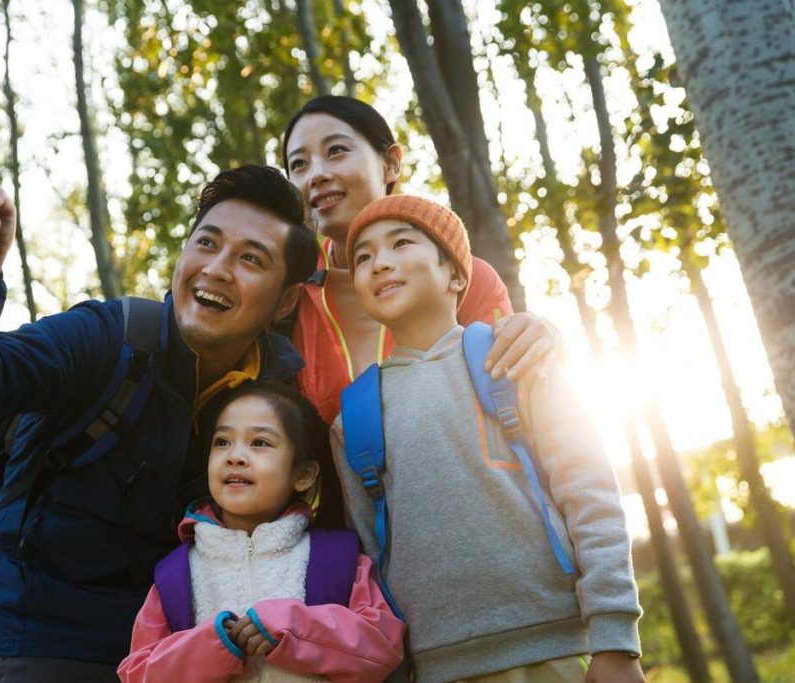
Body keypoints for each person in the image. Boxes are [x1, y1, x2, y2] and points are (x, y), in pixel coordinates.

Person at [0, 145, 322, 680]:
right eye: (207, 243)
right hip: (53, 646)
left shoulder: (282, 393)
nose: (217, 269)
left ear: (286, 301)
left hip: (191, 650)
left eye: (251, 259)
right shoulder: (107, 338)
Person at [333, 194, 644, 683]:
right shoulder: (353, 416)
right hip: (435, 667)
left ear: (456, 274)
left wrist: (615, 637)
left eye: (400, 243)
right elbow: (371, 560)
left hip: (555, 649)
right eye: (364, 257)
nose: (380, 263)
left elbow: (591, 495)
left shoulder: (515, 360)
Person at [282, 95, 559, 424]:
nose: (317, 175)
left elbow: (521, 401)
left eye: (336, 151)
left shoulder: (461, 277)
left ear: (391, 164)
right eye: (299, 164)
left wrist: (545, 339)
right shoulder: (289, 296)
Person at [119, 382, 405, 682]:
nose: (235, 456)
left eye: (259, 443)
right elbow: (137, 673)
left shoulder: (340, 560)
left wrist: (292, 629)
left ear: (303, 475)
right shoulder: (174, 575)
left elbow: (382, 647)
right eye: (222, 441)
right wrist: (211, 645)